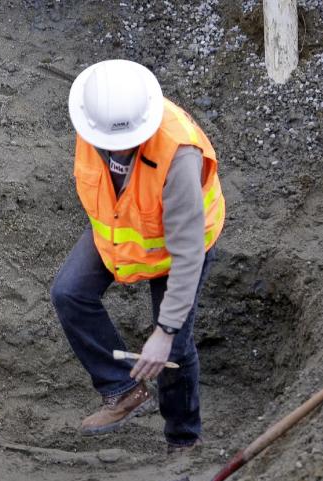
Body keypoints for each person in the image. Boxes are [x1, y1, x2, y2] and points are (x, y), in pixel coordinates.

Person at [50, 59, 225, 453]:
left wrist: (163, 333)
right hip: (121, 225)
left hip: (181, 245)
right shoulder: (93, 122)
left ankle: (184, 441)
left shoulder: (178, 155)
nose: (117, 149)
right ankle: (123, 388)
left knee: (175, 349)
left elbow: (187, 252)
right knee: (69, 293)